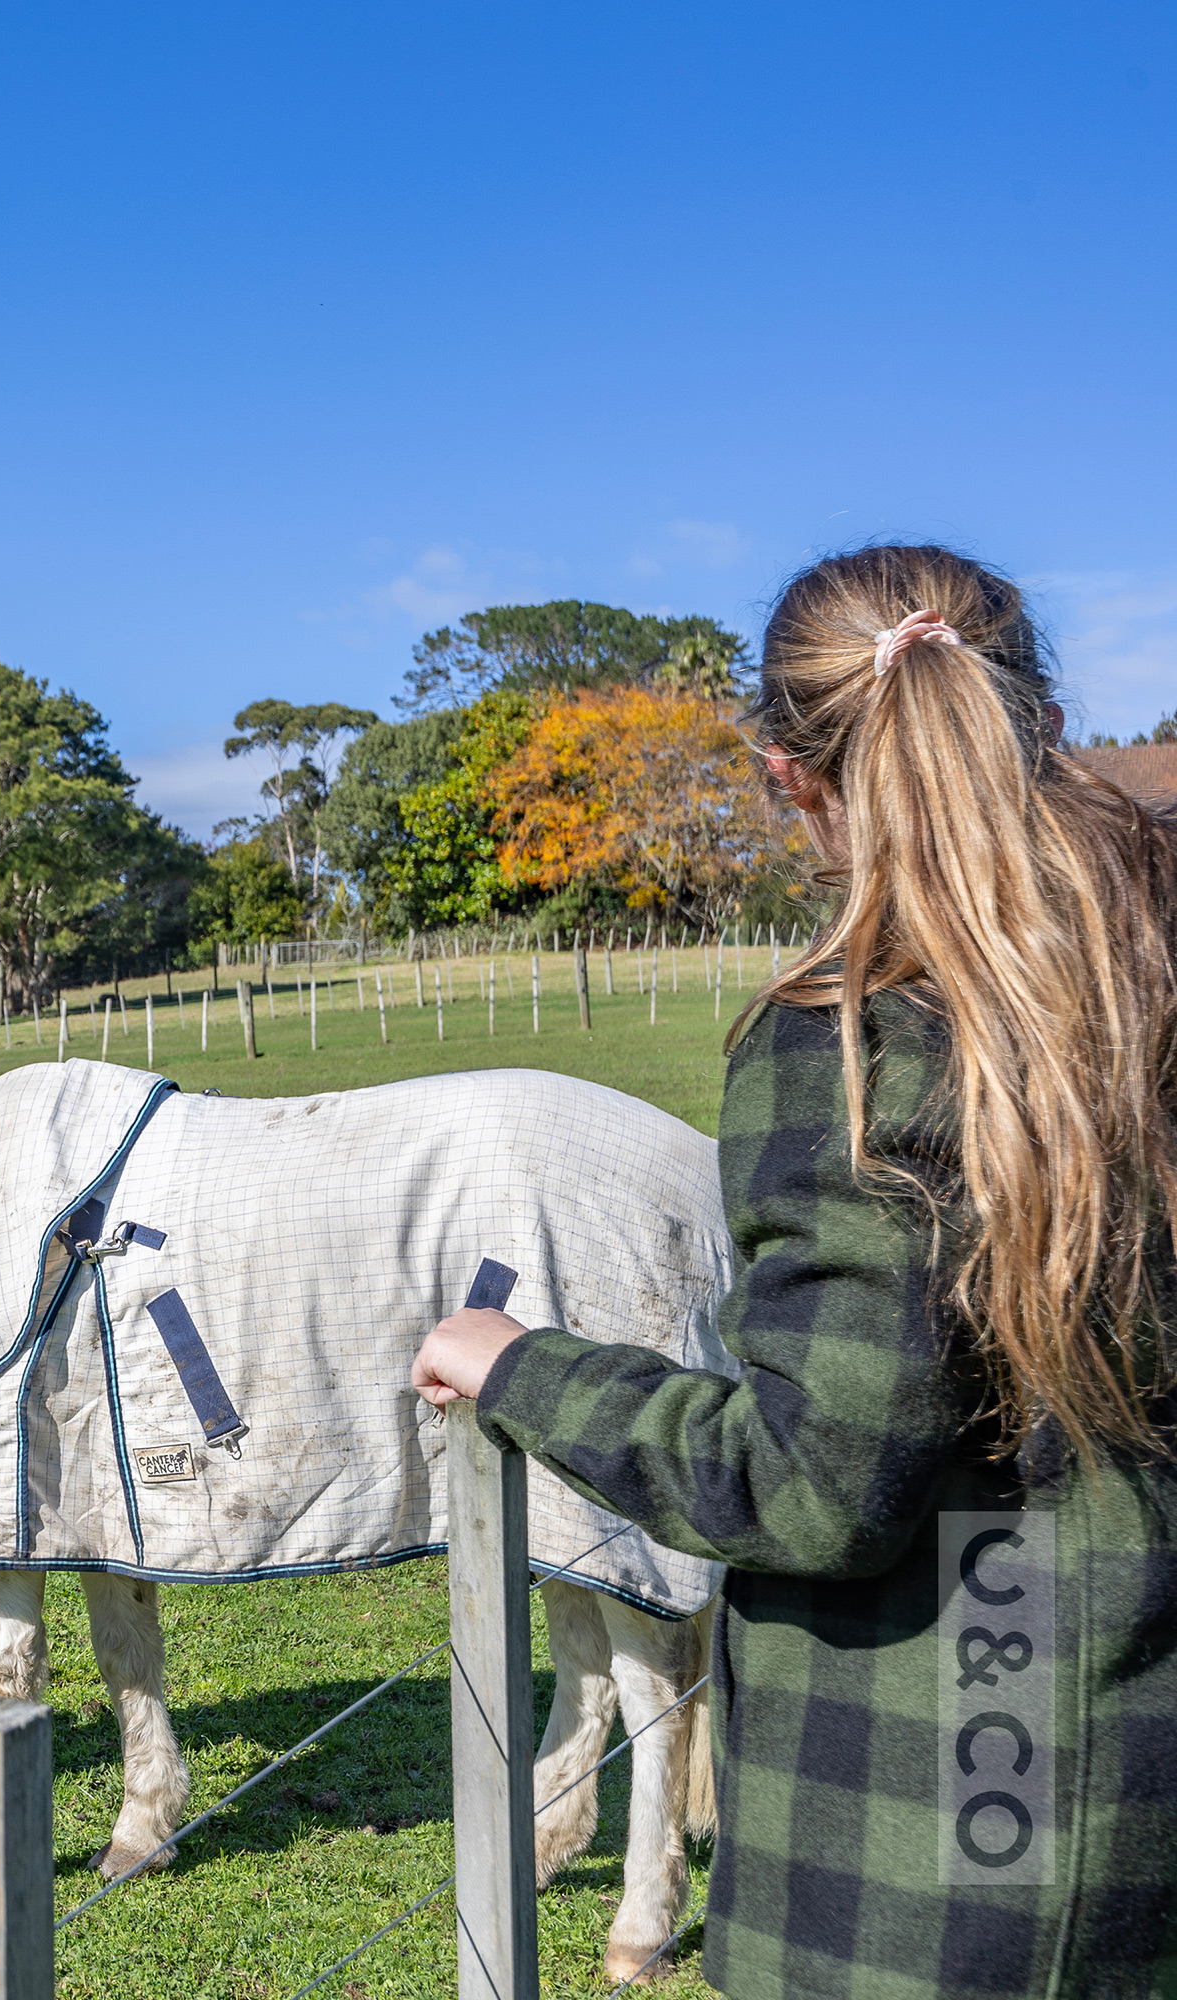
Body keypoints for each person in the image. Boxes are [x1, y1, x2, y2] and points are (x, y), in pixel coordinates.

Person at [413, 544, 1177, 1996]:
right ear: (1051, 719)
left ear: (788, 779)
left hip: (949, 1826)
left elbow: (818, 1479)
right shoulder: (1148, 991)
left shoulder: (858, 1043)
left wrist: (523, 1368)